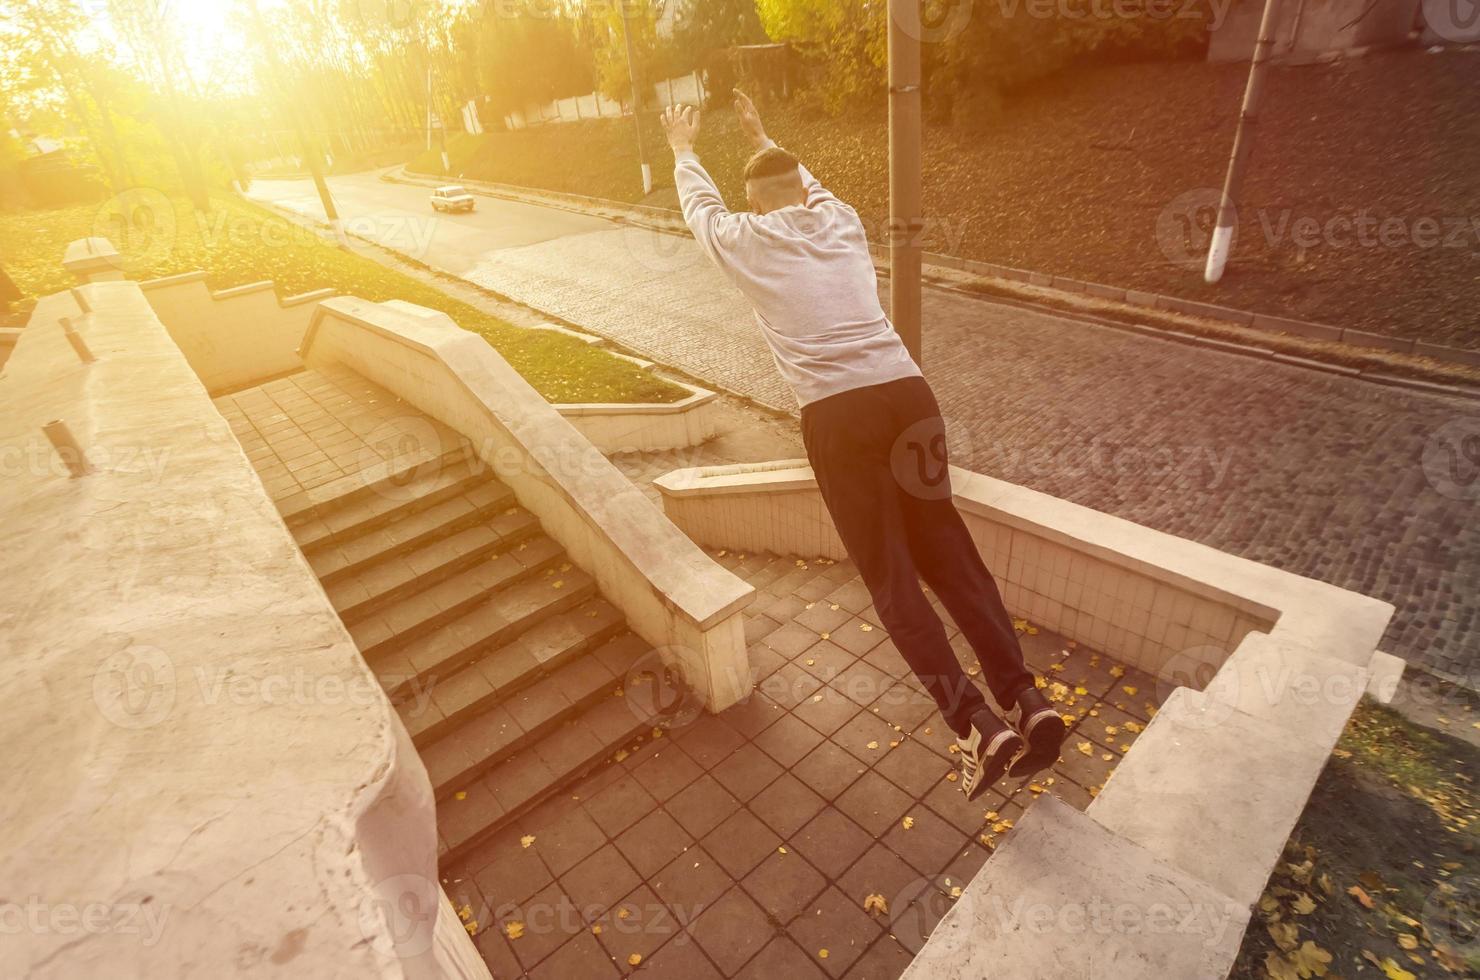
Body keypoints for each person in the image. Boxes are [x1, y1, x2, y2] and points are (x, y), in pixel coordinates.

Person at [660, 93, 1067, 800]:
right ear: (804, 194)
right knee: (950, 552)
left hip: (840, 417)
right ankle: (1026, 701)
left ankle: (975, 725)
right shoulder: (840, 220)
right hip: (909, 397)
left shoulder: (744, 240)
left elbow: (701, 210)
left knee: (892, 577)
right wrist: (764, 134)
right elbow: (803, 181)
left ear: (757, 207)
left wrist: (681, 148)